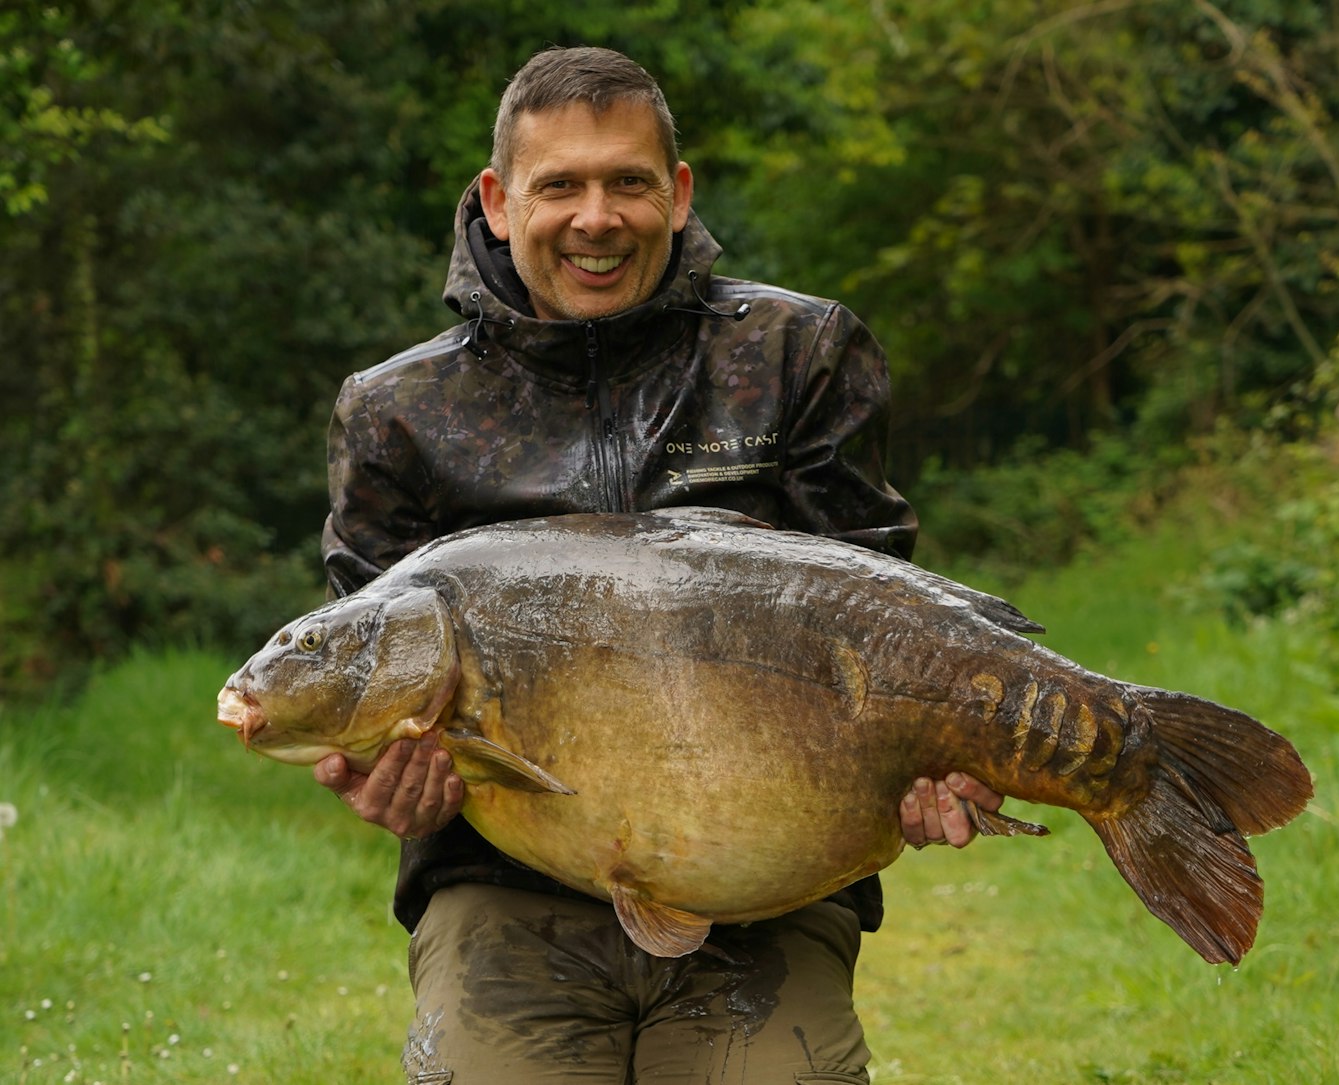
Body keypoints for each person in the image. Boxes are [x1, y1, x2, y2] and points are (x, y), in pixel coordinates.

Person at [313, 45, 1004, 1085]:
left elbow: (887, 618)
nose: (598, 217)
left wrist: (931, 756)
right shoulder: (397, 414)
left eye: (628, 181)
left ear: (677, 195)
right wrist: (384, 779)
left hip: (764, 883)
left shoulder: (795, 353)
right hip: (504, 888)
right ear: (498, 202)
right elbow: (366, 678)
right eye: (561, 186)